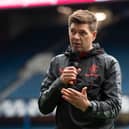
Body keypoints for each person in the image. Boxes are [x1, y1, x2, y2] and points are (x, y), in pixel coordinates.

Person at [38, 9, 122, 129]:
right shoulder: (57, 62)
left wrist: (88, 106)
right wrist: (60, 82)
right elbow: (43, 107)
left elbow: (114, 108)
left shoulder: (109, 63)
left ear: (93, 35)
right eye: (73, 31)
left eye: (82, 33)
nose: (76, 37)